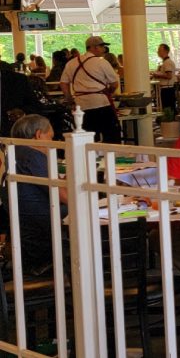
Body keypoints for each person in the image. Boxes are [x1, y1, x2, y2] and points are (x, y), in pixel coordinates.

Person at [9, 114, 68, 277]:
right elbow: (66, 197)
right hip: (42, 228)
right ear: (38, 135)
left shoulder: (13, 152)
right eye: (51, 138)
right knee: (88, 210)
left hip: (24, 227)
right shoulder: (33, 156)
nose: (53, 144)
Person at [60, 35, 121, 143]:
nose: (104, 50)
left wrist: (69, 98)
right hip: (101, 103)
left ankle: (90, 159)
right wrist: (109, 92)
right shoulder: (102, 62)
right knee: (111, 135)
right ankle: (112, 157)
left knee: (87, 137)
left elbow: (63, 83)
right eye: (102, 46)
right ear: (95, 47)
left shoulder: (71, 63)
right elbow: (114, 83)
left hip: (81, 105)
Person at [152, 43, 178, 112]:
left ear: (165, 51)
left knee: (168, 108)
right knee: (168, 107)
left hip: (167, 88)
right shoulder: (165, 62)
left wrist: (157, 75)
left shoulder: (167, 62)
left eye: (160, 50)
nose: (158, 52)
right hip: (167, 88)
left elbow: (169, 76)